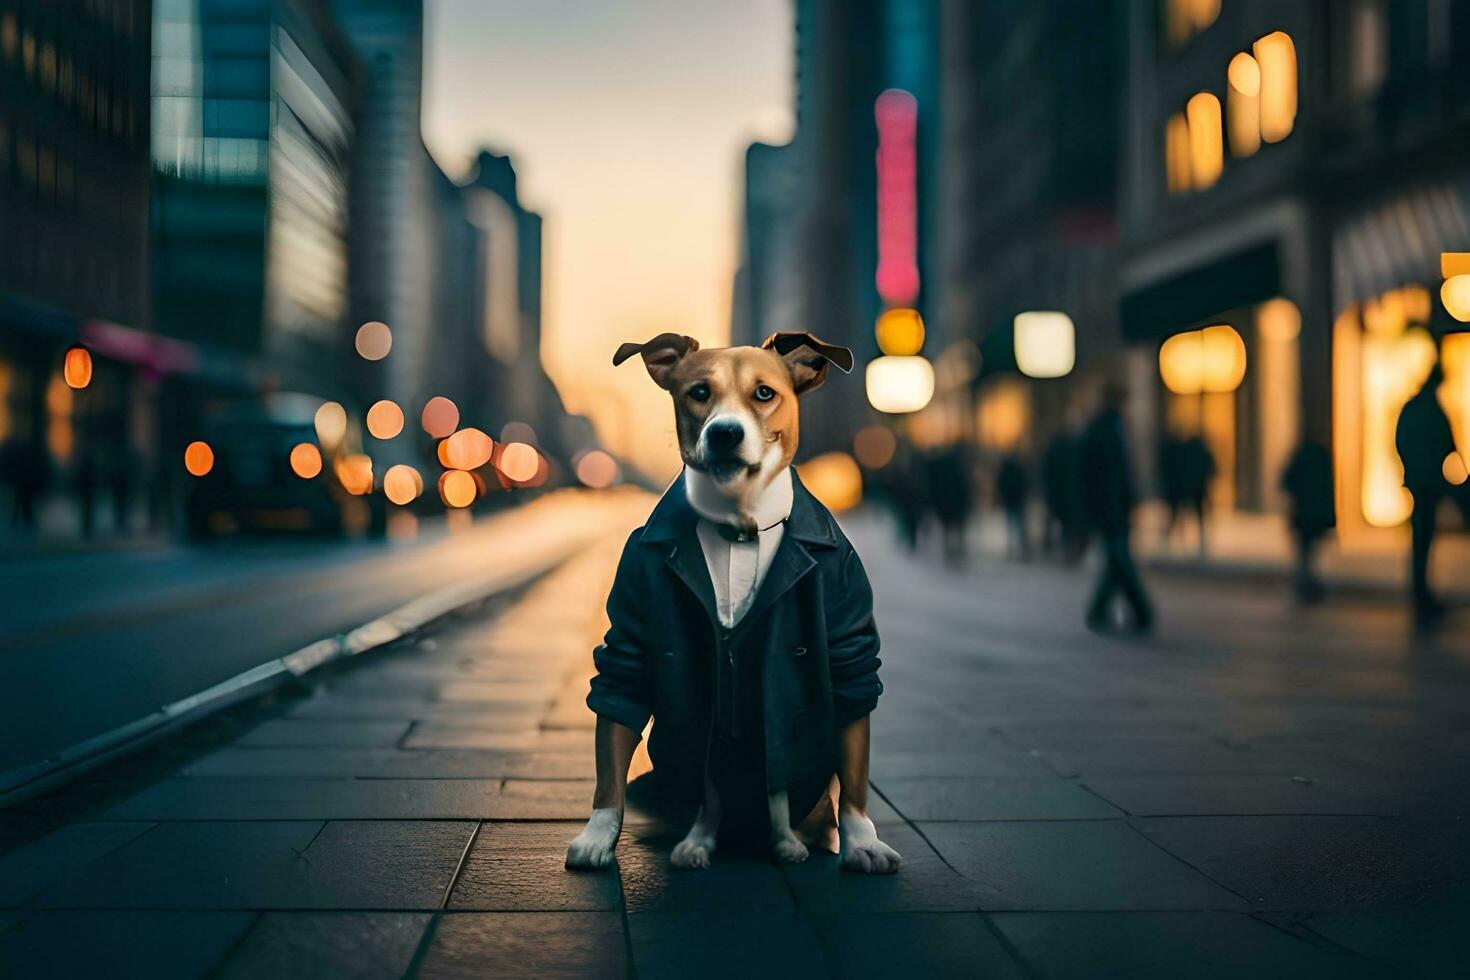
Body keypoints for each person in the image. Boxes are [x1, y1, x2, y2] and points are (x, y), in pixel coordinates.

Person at [1080, 383, 1154, 632]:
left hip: (1115, 509)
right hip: (1109, 510)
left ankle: (1100, 611)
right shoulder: (1105, 430)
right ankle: (1142, 612)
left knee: (1116, 562)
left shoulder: (1113, 428)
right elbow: (1098, 477)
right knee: (1119, 560)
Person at [1395, 363, 1457, 624]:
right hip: (1427, 484)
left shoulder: (1417, 409)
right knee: (1422, 541)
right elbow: (1445, 445)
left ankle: (1422, 595)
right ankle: (1421, 596)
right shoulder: (1427, 410)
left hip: (1423, 483)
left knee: (1422, 542)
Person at [1280, 438, 1335, 604]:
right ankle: (1307, 584)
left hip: (1305, 515)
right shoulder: (1322, 458)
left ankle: (1306, 583)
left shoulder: (1302, 457)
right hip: (1314, 515)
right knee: (1310, 552)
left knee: (1305, 552)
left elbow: (1286, 482)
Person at [1041, 429, 1085, 562]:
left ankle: (1062, 548)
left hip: (1058, 497)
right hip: (1066, 497)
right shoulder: (1070, 456)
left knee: (1060, 524)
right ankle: (1068, 550)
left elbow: (1046, 475)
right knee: (1067, 525)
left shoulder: (1054, 456)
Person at [996, 453, 1031, 560]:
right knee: (1019, 526)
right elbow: (1023, 483)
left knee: (1013, 526)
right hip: (1016, 501)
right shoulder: (1016, 470)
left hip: (1012, 501)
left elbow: (1001, 485)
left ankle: (1016, 548)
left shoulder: (1005, 472)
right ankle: (1021, 548)